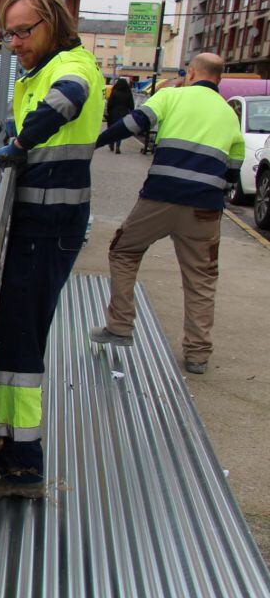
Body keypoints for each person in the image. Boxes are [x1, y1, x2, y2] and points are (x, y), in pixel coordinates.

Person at [0, 0, 106, 498]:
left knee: (22, 341)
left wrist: (20, 141)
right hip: (37, 224)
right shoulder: (35, 74)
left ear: (51, 22)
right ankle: (8, 445)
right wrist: (6, 131)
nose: (14, 42)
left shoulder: (73, 65)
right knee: (15, 336)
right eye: (8, 33)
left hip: (48, 227)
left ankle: (23, 465)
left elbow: (70, 97)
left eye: (22, 31)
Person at [89, 53, 244, 375]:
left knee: (125, 251)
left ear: (192, 72)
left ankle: (120, 326)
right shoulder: (229, 114)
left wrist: (94, 143)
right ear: (219, 79)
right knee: (201, 279)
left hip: (160, 198)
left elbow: (132, 124)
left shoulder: (172, 95)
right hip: (205, 208)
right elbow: (234, 165)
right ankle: (197, 354)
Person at [105, 78, 134, 153]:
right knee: (120, 130)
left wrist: (108, 111)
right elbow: (131, 105)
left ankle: (111, 143)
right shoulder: (128, 93)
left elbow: (110, 103)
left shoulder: (114, 92)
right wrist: (131, 112)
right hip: (124, 113)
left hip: (113, 113)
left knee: (112, 129)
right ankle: (118, 146)